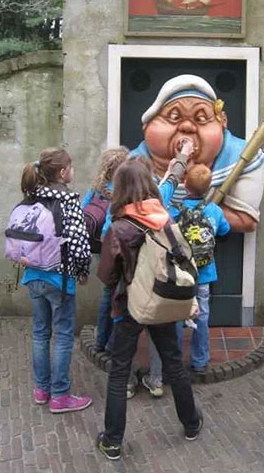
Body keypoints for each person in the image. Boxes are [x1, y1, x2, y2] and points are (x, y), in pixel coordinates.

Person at [96, 158, 203, 461]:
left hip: (129, 306)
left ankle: (112, 441)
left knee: (119, 371)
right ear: (148, 184)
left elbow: (107, 276)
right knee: (173, 362)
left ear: (120, 188)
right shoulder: (163, 218)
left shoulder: (118, 227)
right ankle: (191, 423)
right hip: (160, 299)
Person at [131, 74, 264, 233]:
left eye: (201, 118)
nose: (187, 126)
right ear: (147, 124)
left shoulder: (244, 157)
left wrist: (161, 215)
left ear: (222, 122)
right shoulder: (129, 166)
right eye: (174, 117)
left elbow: (245, 220)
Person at [20, 148, 93, 413]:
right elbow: (79, 244)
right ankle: (60, 395)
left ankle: (42, 390)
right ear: (63, 172)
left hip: (33, 275)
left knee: (40, 333)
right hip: (59, 279)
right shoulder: (69, 201)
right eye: (70, 167)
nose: (73, 171)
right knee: (63, 336)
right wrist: (82, 271)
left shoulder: (31, 197)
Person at [169, 164, 230, 374]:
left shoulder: (174, 211)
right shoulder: (214, 210)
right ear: (209, 186)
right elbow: (225, 230)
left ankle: (175, 360)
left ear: (185, 184)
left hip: (181, 273)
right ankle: (200, 360)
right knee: (202, 315)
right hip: (205, 273)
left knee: (177, 314)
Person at [82, 147, 129, 354]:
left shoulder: (95, 188)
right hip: (114, 247)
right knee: (117, 295)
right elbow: (112, 222)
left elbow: (82, 212)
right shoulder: (122, 191)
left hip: (98, 248)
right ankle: (111, 343)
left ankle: (100, 340)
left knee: (107, 292)